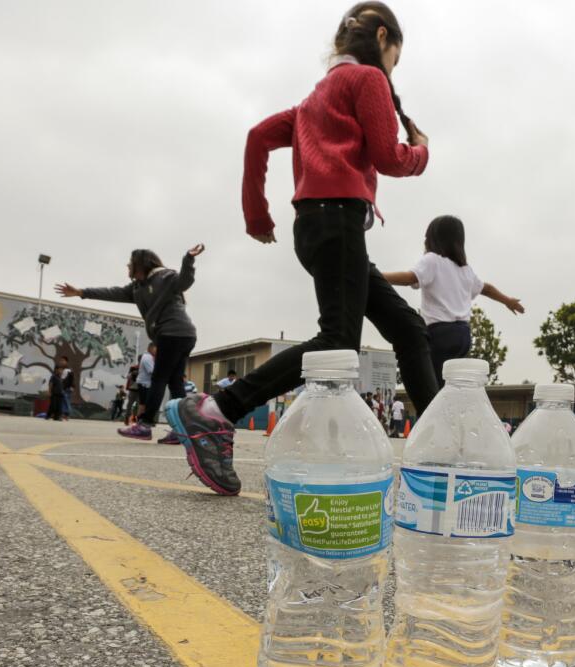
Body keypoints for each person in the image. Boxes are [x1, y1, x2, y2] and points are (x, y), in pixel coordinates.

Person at [165, 4, 433, 496]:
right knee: (337, 343)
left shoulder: (314, 100)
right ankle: (214, 411)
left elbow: (256, 138)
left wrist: (257, 216)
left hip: (319, 227)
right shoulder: (367, 80)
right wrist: (420, 152)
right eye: (397, 54)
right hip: (337, 222)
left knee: (408, 329)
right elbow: (390, 158)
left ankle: (440, 445)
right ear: (381, 37)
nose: (395, 66)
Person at [55, 244, 203, 445]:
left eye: (130, 263)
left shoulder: (165, 277)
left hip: (174, 333)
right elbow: (111, 292)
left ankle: (145, 425)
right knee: (175, 382)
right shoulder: (137, 288)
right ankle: (182, 430)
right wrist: (81, 292)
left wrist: (188, 259)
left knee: (159, 378)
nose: (127, 266)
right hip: (179, 335)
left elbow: (185, 281)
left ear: (140, 265)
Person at [379, 215, 524, 385]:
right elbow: (487, 288)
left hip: (440, 333)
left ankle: (433, 409)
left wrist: (377, 275)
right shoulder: (465, 270)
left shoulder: (432, 261)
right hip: (463, 335)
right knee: (451, 382)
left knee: (432, 383)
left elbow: (410, 277)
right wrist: (508, 301)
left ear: (432, 240)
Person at [47, 357, 73, 421]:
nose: (61, 362)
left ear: (66, 362)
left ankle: (65, 415)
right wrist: (50, 391)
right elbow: (51, 383)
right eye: (61, 360)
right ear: (56, 370)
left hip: (64, 390)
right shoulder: (55, 376)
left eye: (63, 360)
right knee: (54, 405)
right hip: (56, 392)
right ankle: (53, 415)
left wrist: (72, 386)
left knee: (65, 403)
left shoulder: (68, 370)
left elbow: (71, 379)